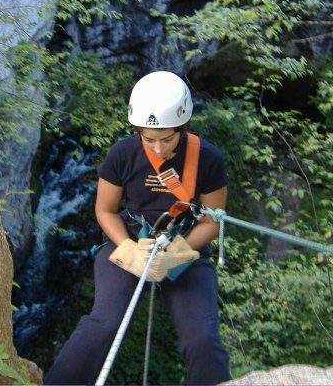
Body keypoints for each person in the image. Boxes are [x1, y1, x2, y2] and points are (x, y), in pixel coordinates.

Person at [44, 71, 231, 385]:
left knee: (203, 340)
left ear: (183, 127)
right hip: (128, 240)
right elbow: (104, 210)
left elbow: (212, 222)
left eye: (168, 138)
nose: (158, 148)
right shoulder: (123, 154)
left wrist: (174, 254)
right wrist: (127, 247)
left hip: (186, 246)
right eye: (148, 138)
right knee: (103, 324)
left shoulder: (208, 159)